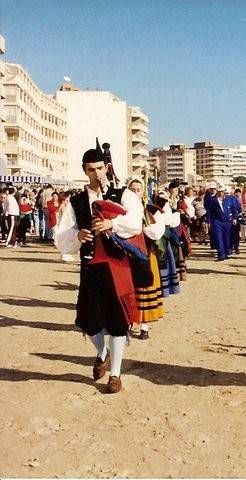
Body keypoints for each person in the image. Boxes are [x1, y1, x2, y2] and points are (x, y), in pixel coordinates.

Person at [54, 140, 144, 393]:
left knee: (117, 321)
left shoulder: (123, 194)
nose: (96, 173)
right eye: (91, 169)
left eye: (100, 168)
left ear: (107, 167)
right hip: (91, 266)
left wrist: (112, 225)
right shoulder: (77, 201)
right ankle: (102, 353)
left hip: (117, 266)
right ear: (85, 171)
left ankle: (115, 374)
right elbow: (62, 238)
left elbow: (136, 223)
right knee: (88, 320)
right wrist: (77, 237)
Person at [127, 179, 166, 340]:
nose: (135, 192)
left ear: (142, 192)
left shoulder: (151, 211)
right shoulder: (122, 210)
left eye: (138, 190)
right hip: (126, 256)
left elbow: (158, 233)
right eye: (132, 190)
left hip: (145, 254)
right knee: (128, 290)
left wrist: (143, 228)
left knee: (144, 289)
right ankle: (128, 322)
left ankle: (144, 326)